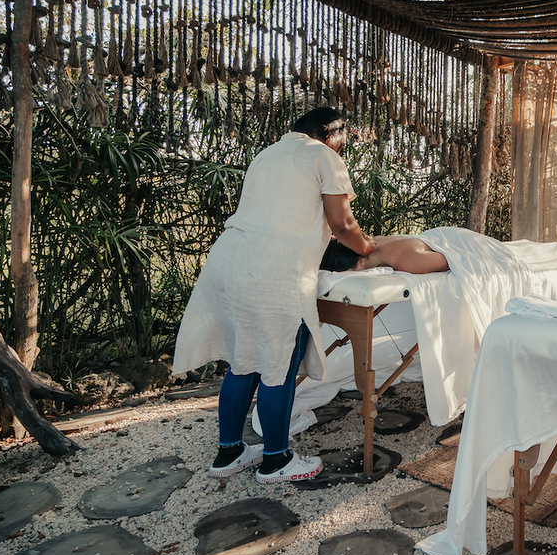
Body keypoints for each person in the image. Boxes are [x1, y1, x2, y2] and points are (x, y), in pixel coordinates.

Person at [173, 107, 376, 483]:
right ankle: (276, 460)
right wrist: (367, 247)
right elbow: (342, 223)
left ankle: (229, 452)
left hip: (230, 262)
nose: (342, 147)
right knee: (277, 364)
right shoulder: (323, 155)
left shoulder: (265, 156)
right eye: (342, 140)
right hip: (275, 271)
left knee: (243, 360)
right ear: (330, 133)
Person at [321, 234, 450, 274]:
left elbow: (451, 260)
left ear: (361, 262)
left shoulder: (405, 261)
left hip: (450, 240)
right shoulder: (375, 240)